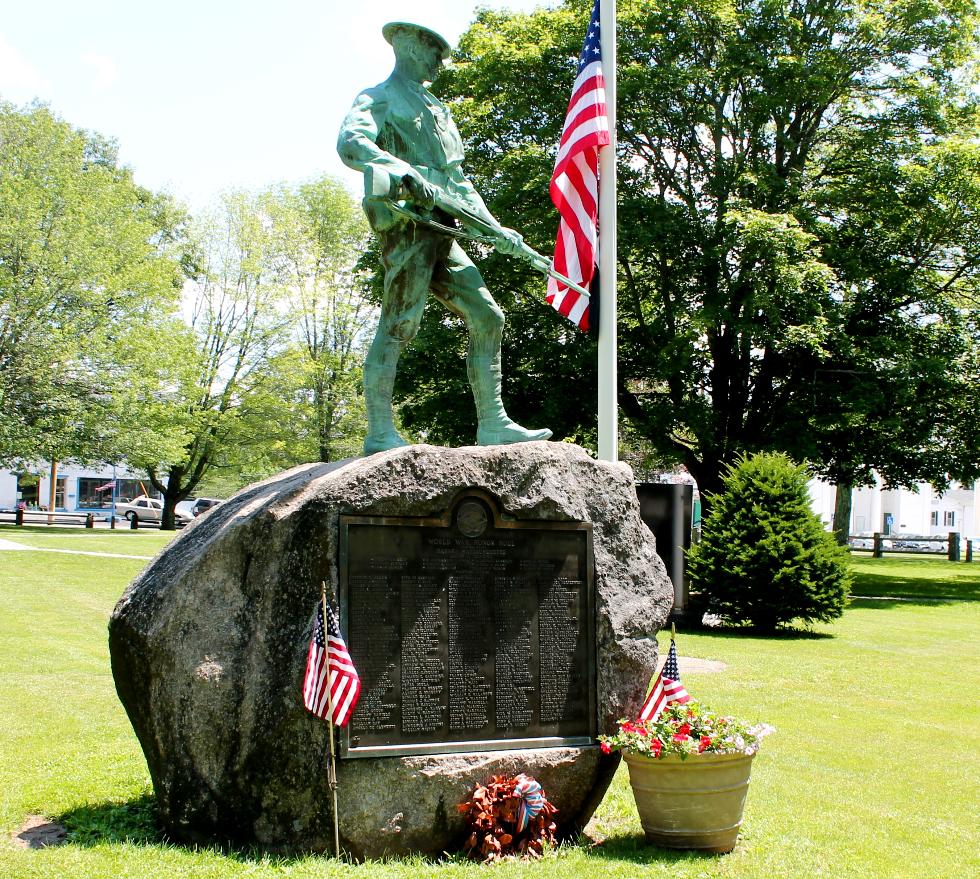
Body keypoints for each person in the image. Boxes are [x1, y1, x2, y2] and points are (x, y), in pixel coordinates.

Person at [338, 21, 552, 455]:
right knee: (400, 322)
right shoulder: (378, 96)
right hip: (408, 224)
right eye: (435, 51)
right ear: (411, 47)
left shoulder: (437, 108)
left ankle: (493, 423)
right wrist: (404, 170)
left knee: (488, 315)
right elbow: (351, 142)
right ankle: (380, 432)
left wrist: (495, 227)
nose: (441, 60)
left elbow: (457, 180)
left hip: (444, 226)